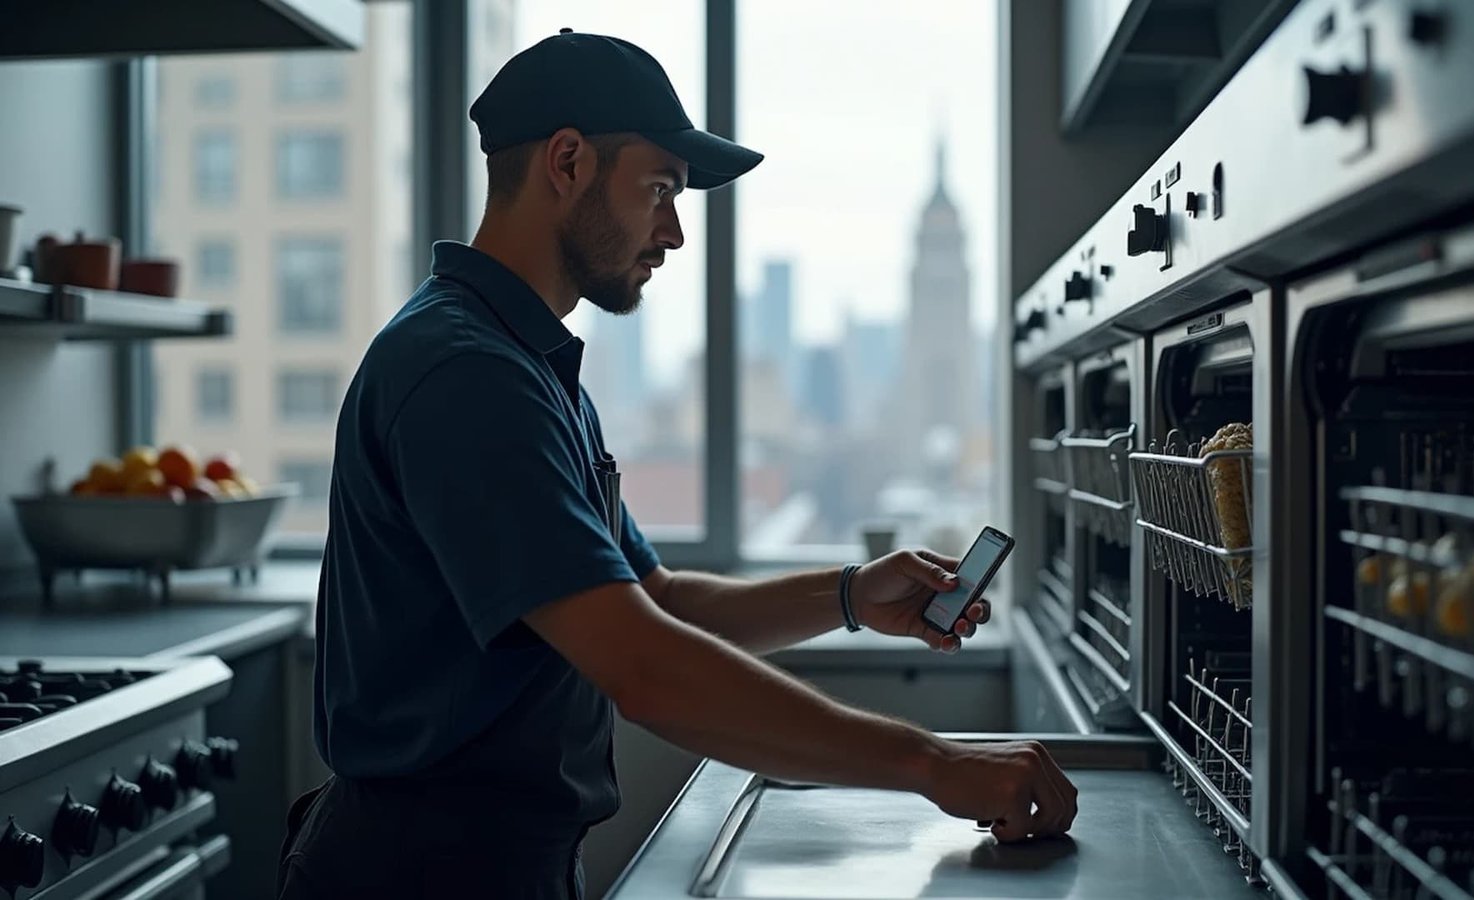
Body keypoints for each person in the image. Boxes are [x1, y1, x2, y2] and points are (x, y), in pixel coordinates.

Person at [276, 29, 1077, 900]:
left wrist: (848, 594)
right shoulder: (467, 375)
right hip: (417, 878)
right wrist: (933, 764)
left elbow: (653, 603)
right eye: (659, 189)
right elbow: (645, 666)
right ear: (569, 162)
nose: (676, 232)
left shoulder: (527, 367)